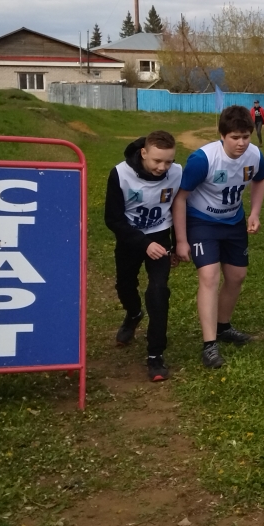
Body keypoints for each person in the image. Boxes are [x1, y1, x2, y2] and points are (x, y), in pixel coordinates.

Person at [173, 105, 264, 369]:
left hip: (234, 221)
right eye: (235, 137)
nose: (241, 143)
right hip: (202, 221)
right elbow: (180, 198)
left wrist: (255, 213)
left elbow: (260, 179)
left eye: (246, 137)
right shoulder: (202, 159)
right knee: (209, 276)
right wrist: (181, 240)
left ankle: (223, 326)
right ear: (222, 135)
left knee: (237, 276)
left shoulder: (254, 155)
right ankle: (209, 344)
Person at [105, 131, 182, 382]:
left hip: (160, 237)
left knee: (158, 291)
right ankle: (134, 314)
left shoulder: (177, 173)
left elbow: (180, 207)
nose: (163, 167)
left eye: (168, 161)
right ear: (144, 153)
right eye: (157, 161)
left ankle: (155, 355)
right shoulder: (120, 174)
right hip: (131, 238)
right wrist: (143, 243)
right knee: (125, 285)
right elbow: (112, 219)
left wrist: (177, 243)